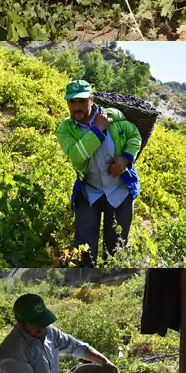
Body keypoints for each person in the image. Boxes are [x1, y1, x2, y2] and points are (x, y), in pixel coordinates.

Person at [56, 79, 142, 267]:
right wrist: (97, 130)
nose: (76, 107)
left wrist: (125, 160)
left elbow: (134, 136)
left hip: (119, 191)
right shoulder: (65, 129)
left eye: (81, 101)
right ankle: (84, 285)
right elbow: (77, 156)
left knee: (116, 248)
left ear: (92, 99)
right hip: (90, 192)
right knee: (84, 248)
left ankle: (109, 285)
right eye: (72, 102)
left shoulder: (114, 118)